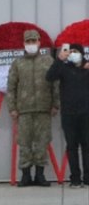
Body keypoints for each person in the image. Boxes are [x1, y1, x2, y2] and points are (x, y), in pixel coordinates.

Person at [8, 29, 57, 187]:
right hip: (24, 110)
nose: (31, 44)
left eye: (33, 41)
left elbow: (55, 84)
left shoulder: (48, 61)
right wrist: (12, 108)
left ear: (39, 42)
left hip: (44, 109)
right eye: (28, 42)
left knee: (42, 142)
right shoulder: (18, 63)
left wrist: (56, 104)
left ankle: (40, 175)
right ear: (24, 43)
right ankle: (26, 176)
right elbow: (11, 87)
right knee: (24, 143)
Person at [47, 42, 89, 187]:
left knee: (86, 146)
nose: (72, 53)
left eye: (75, 51)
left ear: (82, 53)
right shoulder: (64, 68)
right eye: (70, 51)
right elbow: (49, 76)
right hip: (69, 114)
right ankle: (75, 178)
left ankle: (87, 178)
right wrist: (59, 59)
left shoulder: (87, 68)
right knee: (72, 146)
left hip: (86, 113)